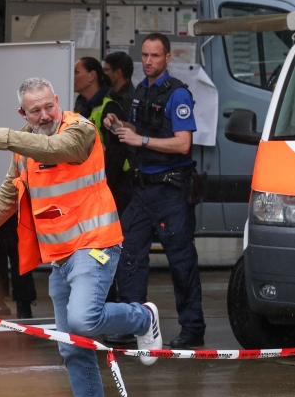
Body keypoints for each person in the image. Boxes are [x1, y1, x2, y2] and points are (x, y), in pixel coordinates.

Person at [0, 77, 163, 397]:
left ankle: (142, 318)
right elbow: (7, 196)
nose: (45, 114)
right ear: (24, 114)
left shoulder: (80, 129)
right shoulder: (25, 148)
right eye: (35, 110)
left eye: (49, 106)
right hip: (59, 257)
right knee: (71, 347)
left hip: (95, 245)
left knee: (82, 322)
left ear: (57, 102)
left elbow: (57, 148)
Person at [103, 33, 206, 349]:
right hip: (143, 189)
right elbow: (137, 131)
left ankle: (192, 329)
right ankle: (134, 325)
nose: (148, 61)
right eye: (145, 56)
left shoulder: (177, 95)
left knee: (181, 261)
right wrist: (119, 125)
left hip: (171, 190)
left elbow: (183, 143)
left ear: (167, 58)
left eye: (155, 56)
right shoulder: (140, 92)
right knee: (129, 256)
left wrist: (142, 141)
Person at [73, 57, 130, 215]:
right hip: (89, 184)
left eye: (76, 72)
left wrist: (103, 188)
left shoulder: (110, 106)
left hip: (113, 185)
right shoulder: (79, 107)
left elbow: (118, 152)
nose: (72, 77)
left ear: (92, 76)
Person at [103, 51, 136, 117]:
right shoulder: (109, 92)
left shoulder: (129, 101)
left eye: (106, 70)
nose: (103, 74)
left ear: (118, 72)